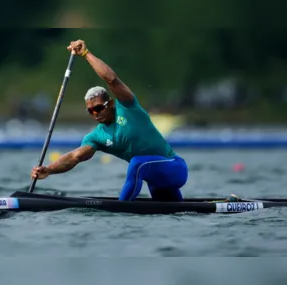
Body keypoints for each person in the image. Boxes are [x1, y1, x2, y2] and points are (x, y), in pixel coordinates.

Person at [31, 39, 188, 202]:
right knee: (175, 212)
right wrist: (49, 170)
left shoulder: (127, 106)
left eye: (98, 108)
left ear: (110, 103)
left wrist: (86, 54)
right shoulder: (96, 137)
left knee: (136, 163)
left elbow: (112, 80)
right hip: (156, 180)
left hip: (174, 168)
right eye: (90, 111)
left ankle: (122, 208)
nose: (95, 113)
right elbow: (74, 157)